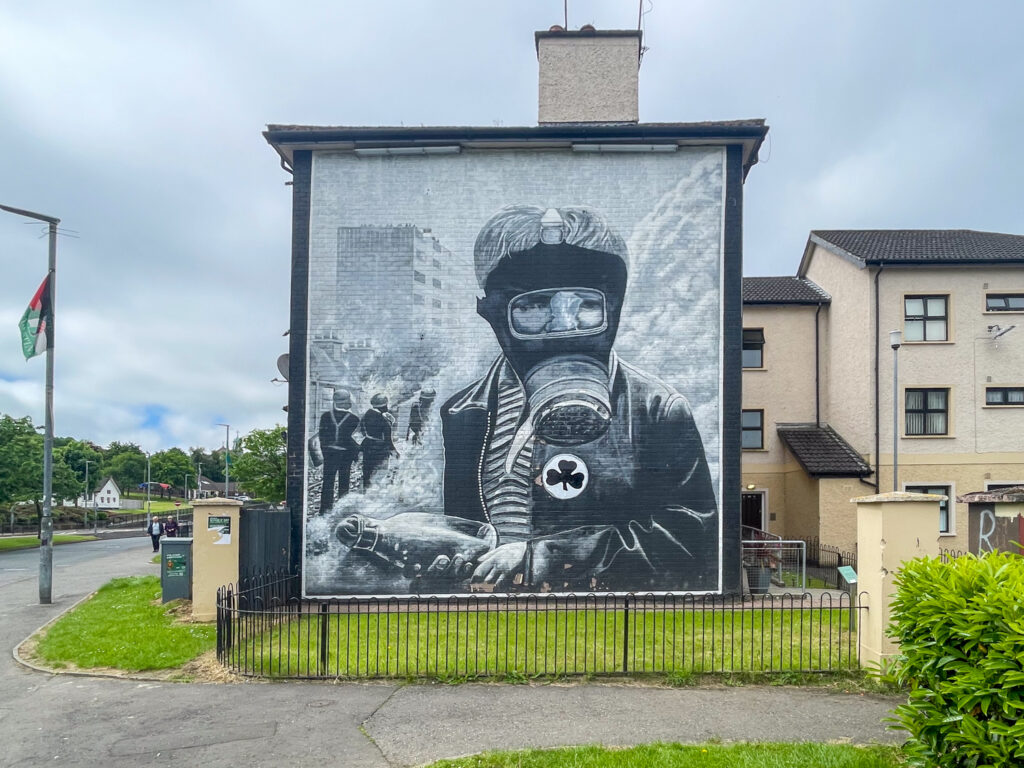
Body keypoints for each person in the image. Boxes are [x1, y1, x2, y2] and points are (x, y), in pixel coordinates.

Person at [438, 205, 718, 592]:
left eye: (586, 304)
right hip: (493, 615)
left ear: (614, 308)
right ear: (491, 312)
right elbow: (461, 532)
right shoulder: (464, 413)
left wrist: (546, 558)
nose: (563, 326)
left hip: (589, 617)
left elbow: (691, 540)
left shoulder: (656, 410)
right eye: (534, 305)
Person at [319, 388, 361, 513]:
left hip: (329, 454)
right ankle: (342, 509)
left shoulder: (325, 416)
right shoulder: (354, 419)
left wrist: (325, 453)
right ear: (347, 401)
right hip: (345, 454)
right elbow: (354, 440)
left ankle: (325, 509)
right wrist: (356, 455)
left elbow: (322, 437)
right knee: (344, 481)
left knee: (327, 482)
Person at [361, 393, 399, 488]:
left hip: (368, 446)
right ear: (382, 406)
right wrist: (394, 451)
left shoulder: (366, 415)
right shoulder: (383, 420)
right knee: (379, 474)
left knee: (367, 472)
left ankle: (366, 490)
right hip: (380, 450)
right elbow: (388, 439)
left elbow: (362, 431)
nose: (387, 407)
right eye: (386, 405)